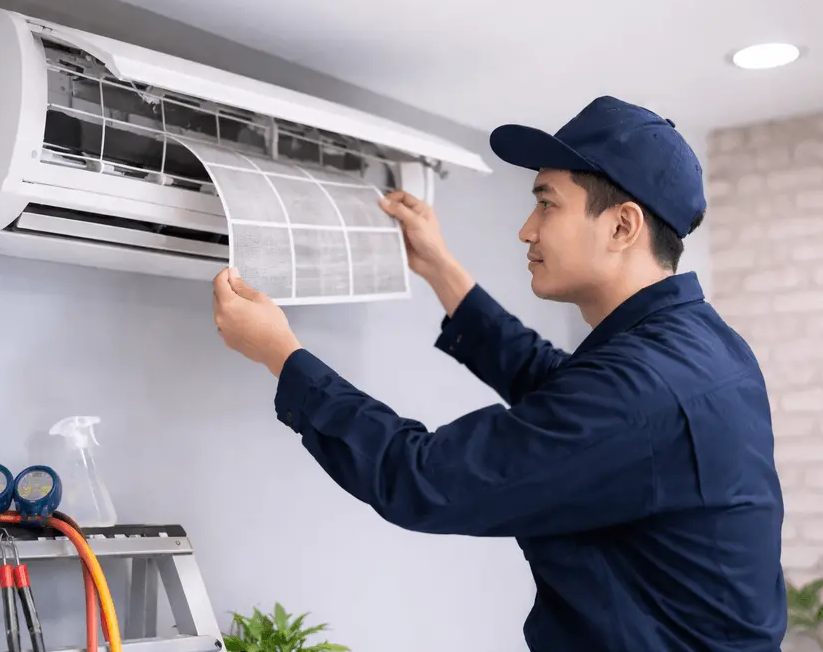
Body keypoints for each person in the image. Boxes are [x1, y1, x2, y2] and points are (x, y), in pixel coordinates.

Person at [211, 95, 786, 652]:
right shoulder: (699, 347)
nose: (527, 229)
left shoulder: (644, 387)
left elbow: (424, 478)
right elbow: (560, 388)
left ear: (621, 227)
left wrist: (282, 355)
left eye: (547, 204)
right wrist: (441, 269)